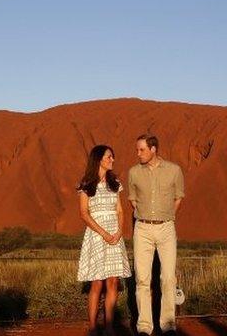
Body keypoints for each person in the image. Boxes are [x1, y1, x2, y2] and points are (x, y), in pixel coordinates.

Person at [128, 134, 185, 336]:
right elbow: (133, 200)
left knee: (168, 278)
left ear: (153, 149)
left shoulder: (174, 170)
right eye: (137, 149)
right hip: (142, 228)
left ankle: (168, 324)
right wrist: (145, 217)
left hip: (166, 228)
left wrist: (167, 216)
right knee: (142, 279)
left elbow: (178, 197)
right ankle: (144, 326)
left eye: (141, 149)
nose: (138, 153)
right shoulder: (134, 172)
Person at [77, 145, 132, 336]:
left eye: (112, 157)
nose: (112, 160)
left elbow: (120, 210)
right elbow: (84, 213)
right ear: (99, 159)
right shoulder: (86, 184)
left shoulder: (114, 182)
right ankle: (92, 327)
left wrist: (119, 232)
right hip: (96, 234)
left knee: (113, 282)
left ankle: (109, 327)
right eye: (109, 157)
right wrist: (103, 233)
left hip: (114, 235)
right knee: (96, 283)